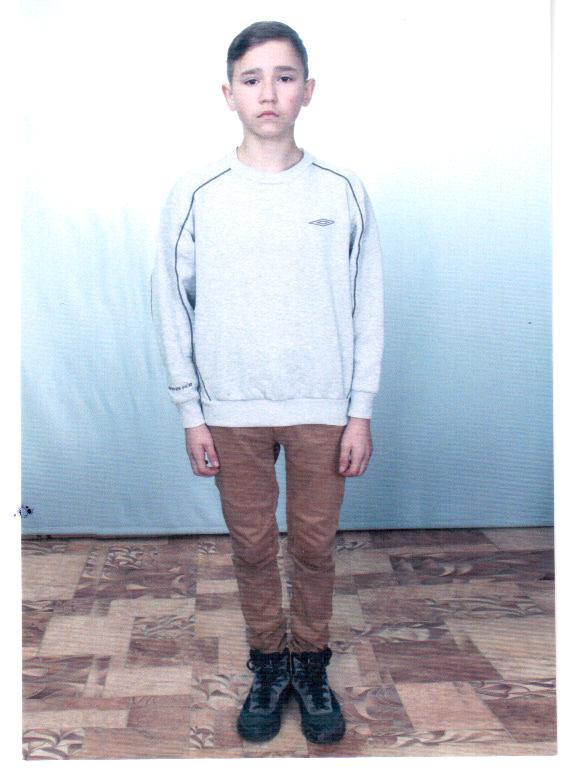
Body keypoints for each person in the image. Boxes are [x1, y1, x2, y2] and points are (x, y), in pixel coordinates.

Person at [151, 20, 384, 746]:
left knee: (313, 546)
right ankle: (267, 664)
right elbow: (172, 305)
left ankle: (309, 664)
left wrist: (359, 411)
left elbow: (368, 303)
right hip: (230, 411)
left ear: (308, 90)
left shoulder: (342, 190)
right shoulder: (198, 192)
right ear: (229, 94)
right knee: (252, 546)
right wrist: (191, 411)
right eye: (252, 80)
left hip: (322, 409)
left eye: (284, 78)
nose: (269, 93)